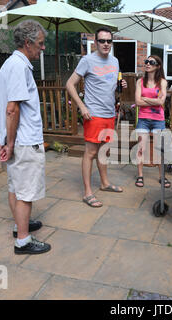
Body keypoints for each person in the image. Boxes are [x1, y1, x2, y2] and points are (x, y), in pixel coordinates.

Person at [0, 20, 51, 255]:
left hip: (15, 140)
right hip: (24, 141)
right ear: (28, 43)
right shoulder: (19, 67)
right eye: (40, 44)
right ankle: (23, 240)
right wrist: (11, 144)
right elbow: (12, 109)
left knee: (15, 188)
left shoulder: (10, 64)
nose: (43, 48)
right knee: (26, 193)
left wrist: (7, 142)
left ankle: (21, 225)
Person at [66, 27, 126, 208]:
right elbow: (70, 84)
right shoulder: (87, 60)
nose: (106, 44)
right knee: (91, 152)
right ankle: (87, 192)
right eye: (102, 41)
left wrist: (119, 84)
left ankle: (105, 183)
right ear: (96, 42)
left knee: (104, 151)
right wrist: (82, 106)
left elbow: (109, 86)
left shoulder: (114, 61)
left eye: (109, 41)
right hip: (94, 114)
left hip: (109, 113)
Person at [134, 55, 169, 188]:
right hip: (143, 119)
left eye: (151, 62)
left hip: (158, 120)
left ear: (158, 66)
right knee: (141, 148)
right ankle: (140, 175)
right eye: (146, 61)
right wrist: (154, 101)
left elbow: (161, 101)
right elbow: (137, 102)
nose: (148, 64)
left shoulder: (163, 82)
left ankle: (162, 176)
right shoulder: (140, 82)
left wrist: (145, 99)